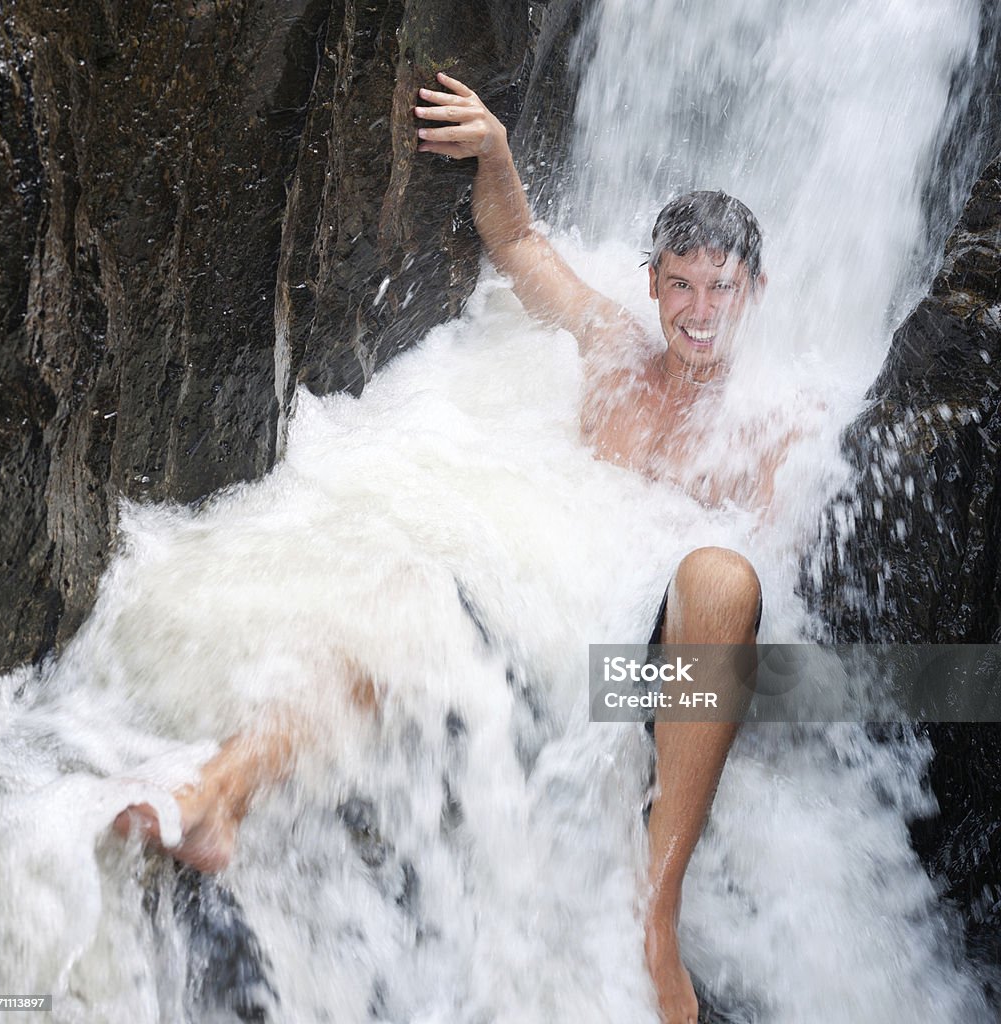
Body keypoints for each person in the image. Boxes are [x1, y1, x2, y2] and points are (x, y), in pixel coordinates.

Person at [116, 72, 789, 1024]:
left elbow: (769, 621)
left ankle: (657, 915)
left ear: (754, 290)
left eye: (721, 286)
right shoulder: (612, 345)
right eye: (680, 283)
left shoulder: (776, 433)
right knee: (410, 597)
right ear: (652, 282)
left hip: (642, 688)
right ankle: (222, 790)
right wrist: (497, 152)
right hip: (546, 647)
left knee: (720, 576)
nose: (698, 309)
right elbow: (517, 243)